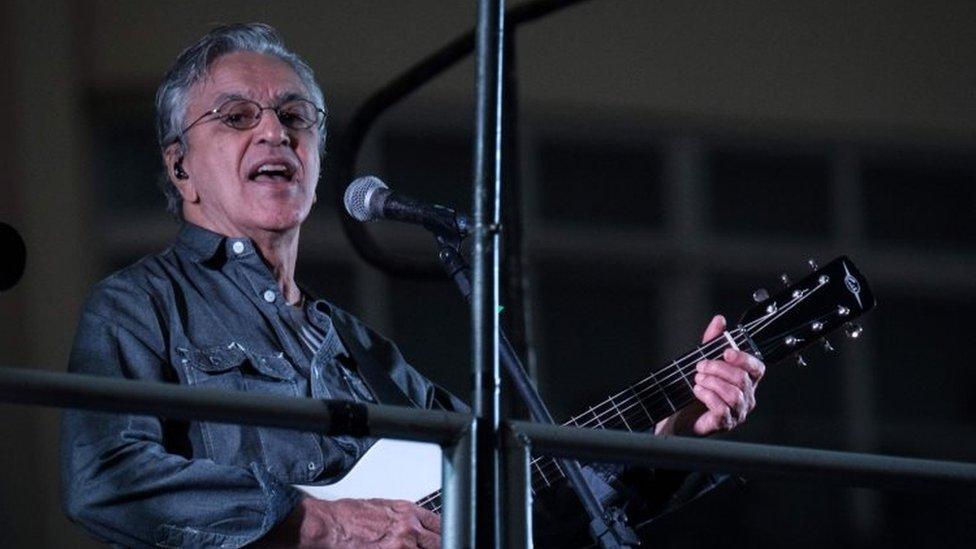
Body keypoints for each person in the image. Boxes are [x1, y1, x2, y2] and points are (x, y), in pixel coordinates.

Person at [60, 23, 765, 548]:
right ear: (180, 166)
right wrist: (322, 522)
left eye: (296, 116)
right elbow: (109, 478)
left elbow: (519, 499)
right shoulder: (138, 307)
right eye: (238, 115)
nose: (275, 131)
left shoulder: (364, 350)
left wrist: (677, 436)